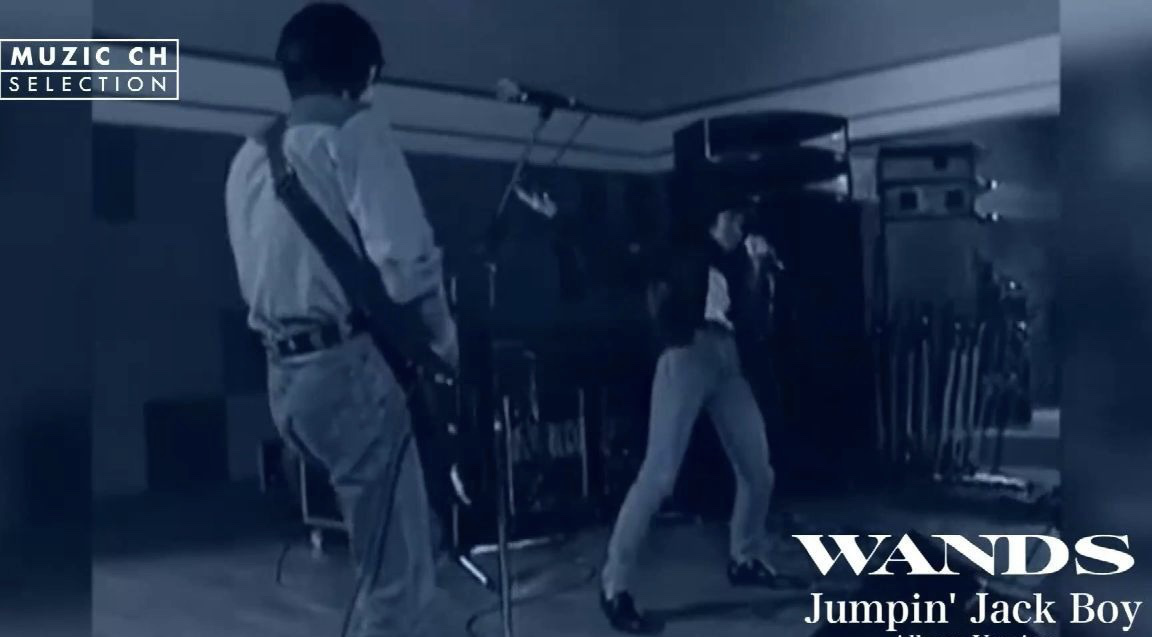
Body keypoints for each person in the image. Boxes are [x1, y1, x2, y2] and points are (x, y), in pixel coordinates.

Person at [223, 4, 457, 636]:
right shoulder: (357, 131)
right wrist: (443, 349)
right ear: (363, 73)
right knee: (399, 587)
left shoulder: (251, 155)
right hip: (349, 374)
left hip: (286, 383)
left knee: (389, 556)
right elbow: (408, 266)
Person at [599, 203, 800, 634]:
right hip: (686, 354)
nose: (740, 227)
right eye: (734, 219)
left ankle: (745, 557)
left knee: (758, 470)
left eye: (743, 221)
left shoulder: (738, 266)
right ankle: (615, 585)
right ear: (714, 219)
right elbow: (620, 258)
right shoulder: (682, 252)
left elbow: (757, 324)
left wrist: (759, 270)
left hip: (728, 358)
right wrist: (560, 218)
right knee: (658, 477)